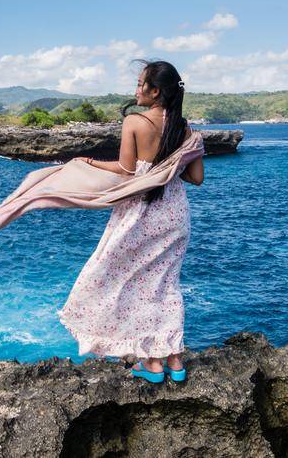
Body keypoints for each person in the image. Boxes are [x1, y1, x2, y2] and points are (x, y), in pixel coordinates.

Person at [56, 59, 204, 384]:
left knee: (130, 283)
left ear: (156, 91)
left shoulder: (134, 123)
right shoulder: (186, 128)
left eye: (141, 85)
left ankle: (151, 363)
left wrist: (89, 162)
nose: (136, 90)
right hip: (175, 213)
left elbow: (125, 171)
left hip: (141, 212)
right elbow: (196, 178)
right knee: (166, 285)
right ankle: (175, 359)